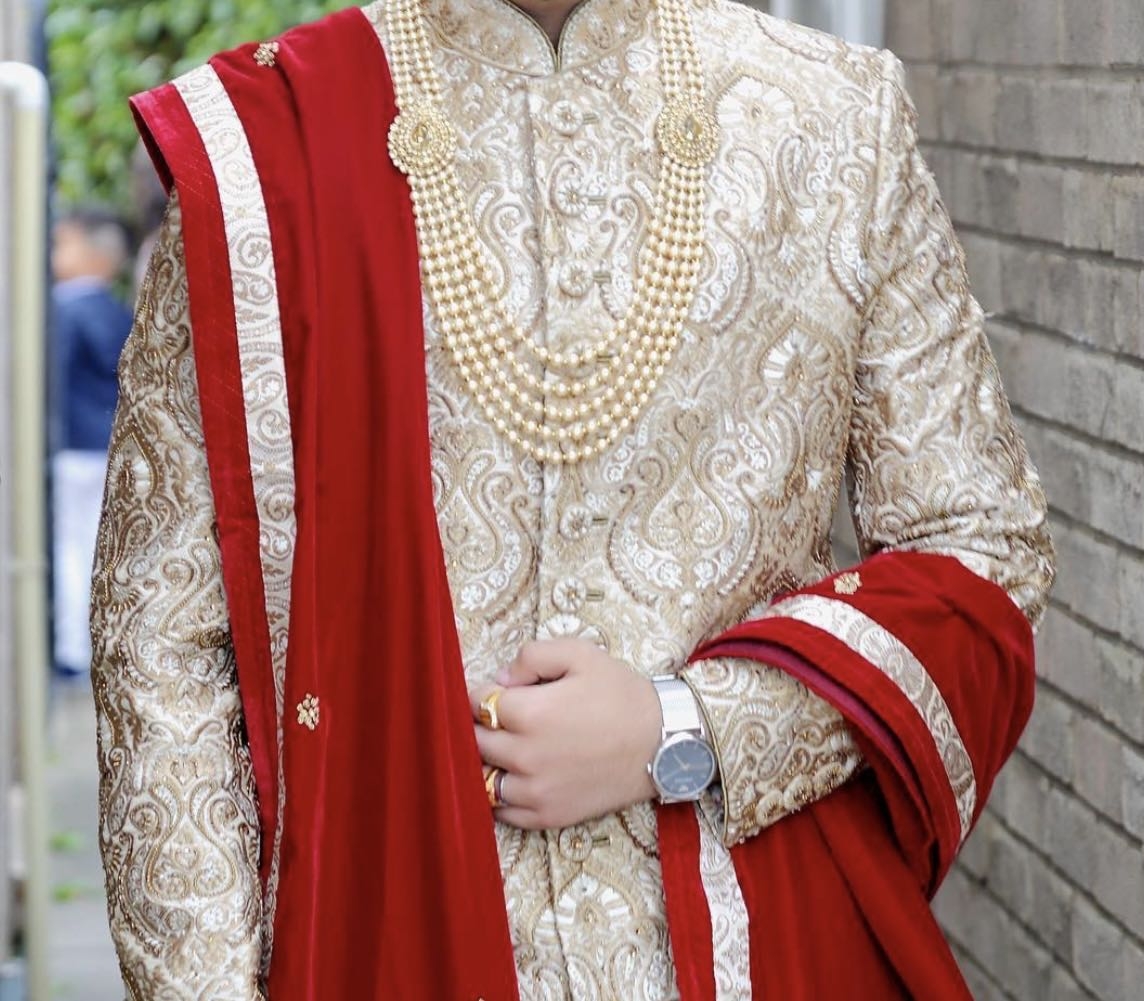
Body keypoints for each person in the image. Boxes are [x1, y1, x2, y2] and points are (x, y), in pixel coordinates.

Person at [90, 0, 1054, 998]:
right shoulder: (264, 151)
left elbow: (979, 545)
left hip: (757, 938)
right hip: (377, 929)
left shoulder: (833, 115)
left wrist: (687, 729)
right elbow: (160, 635)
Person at [49, 205, 133, 675]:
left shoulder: (62, 310)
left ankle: (70, 651)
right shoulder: (118, 311)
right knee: (101, 550)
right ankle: (98, 645)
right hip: (107, 447)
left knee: (68, 547)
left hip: (71, 450)